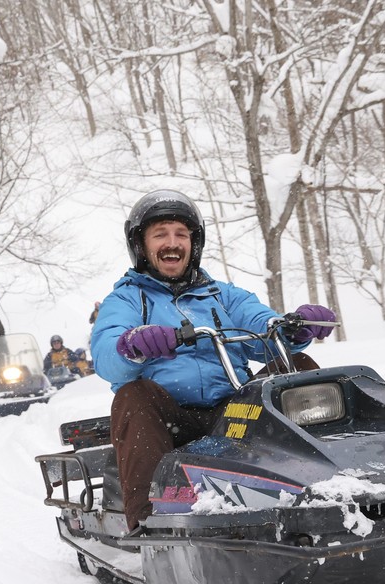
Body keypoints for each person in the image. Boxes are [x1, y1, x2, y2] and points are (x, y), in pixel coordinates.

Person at [91, 189, 336, 532]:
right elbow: (105, 356)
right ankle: (151, 524)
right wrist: (134, 344)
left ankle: (327, 481)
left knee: (298, 368)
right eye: (160, 234)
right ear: (142, 246)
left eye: (181, 234)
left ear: (194, 243)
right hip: (170, 418)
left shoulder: (223, 295)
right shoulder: (126, 299)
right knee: (133, 396)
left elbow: (263, 327)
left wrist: (293, 329)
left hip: (233, 412)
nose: (172, 243)